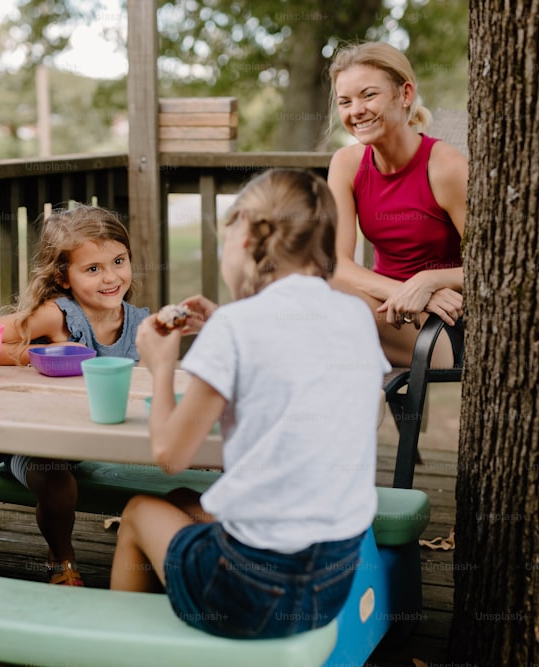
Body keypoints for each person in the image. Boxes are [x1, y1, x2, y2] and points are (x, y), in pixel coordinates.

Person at [109, 168, 390, 639]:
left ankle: (119, 647)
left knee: (139, 510)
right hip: (330, 583)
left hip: (252, 592)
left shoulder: (238, 327)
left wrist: (160, 364)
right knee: (181, 504)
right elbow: (305, 362)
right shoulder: (355, 314)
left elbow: (171, 455)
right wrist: (224, 324)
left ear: (244, 239)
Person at [0, 204, 149, 586]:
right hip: (34, 442)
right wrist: (38, 355)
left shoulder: (138, 322)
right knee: (57, 481)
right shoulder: (59, 317)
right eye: (93, 269)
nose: (111, 277)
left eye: (119, 261)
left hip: (93, 439)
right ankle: (61, 558)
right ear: (63, 277)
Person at [326, 41, 466, 368]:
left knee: (321, 307)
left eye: (368, 95)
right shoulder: (346, 163)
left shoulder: (446, 167)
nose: (355, 110)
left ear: (404, 94)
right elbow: (337, 263)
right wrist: (408, 290)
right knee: (314, 285)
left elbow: (494, 267)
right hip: (384, 307)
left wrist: (430, 283)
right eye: (345, 101)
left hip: (443, 325)